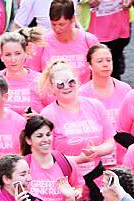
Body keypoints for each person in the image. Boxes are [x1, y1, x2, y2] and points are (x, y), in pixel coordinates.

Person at [39, 58, 114, 187]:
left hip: (96, 176)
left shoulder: (96, 106)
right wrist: (78, 159)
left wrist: (96, 150)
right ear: (52, 87)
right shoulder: (47, 115)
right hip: (65, 179)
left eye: (71, 82)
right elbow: (45, 156)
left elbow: (110, 143)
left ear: (78, 82)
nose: (66, 87)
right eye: (60, 84)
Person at [21, 113, 83, 201]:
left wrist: (75, 194)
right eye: (39, 136)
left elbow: (78, 186)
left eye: (48, 135)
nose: (45, 139)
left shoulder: (66, 163)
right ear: (28, 140)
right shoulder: (22, 165)